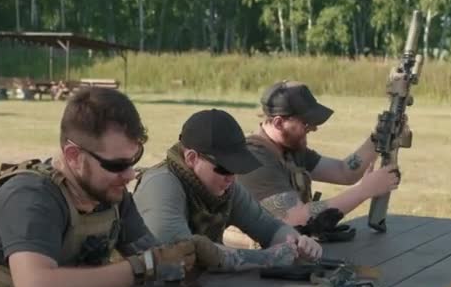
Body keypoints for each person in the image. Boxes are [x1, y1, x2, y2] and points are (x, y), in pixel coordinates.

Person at [0, 88, 222, 287]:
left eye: (134, 160)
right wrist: (140, 267)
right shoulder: (31, 197)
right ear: (73, 156)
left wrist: (189, 258)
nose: (130, 174)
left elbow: (155, 258)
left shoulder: (109, 193)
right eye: (117, 165)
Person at [133, 108, 323, 271]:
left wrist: (298, 244)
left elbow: (268, 227)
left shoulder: (225, 187)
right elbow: (180, 252)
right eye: (224, 168)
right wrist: (265, 258)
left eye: (236, 168)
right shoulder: (161, 184)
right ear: (191, 158)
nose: (231, 177)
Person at [236, 80, 402, 238]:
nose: (314, 128)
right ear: (279, 123)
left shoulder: (288, 148)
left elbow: (343, 172)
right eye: (306, 123)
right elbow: (296, 217)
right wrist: (364, 190)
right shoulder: (256, 158)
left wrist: (379, 137)